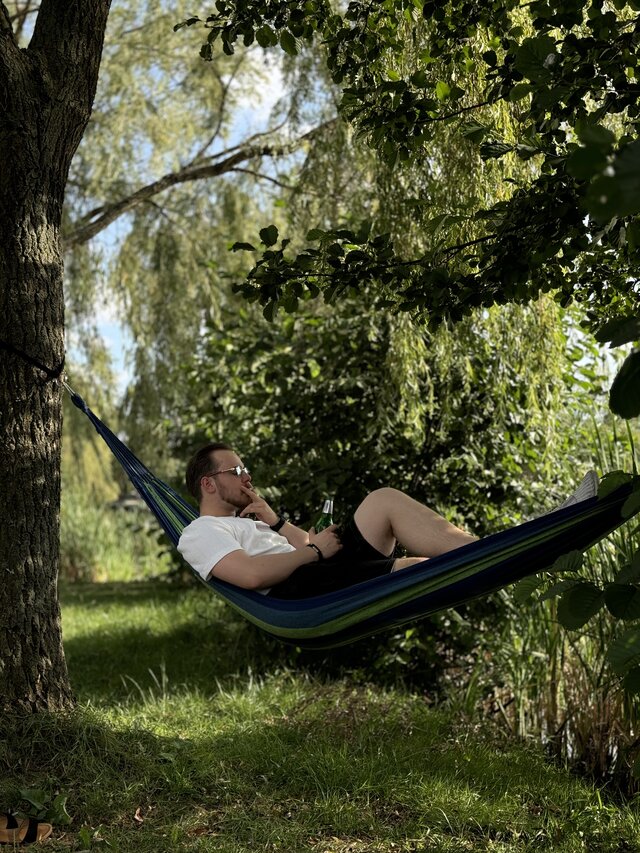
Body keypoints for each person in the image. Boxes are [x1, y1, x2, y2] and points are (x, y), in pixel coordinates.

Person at [178, 442, 479, 599]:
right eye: (237, 471)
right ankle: (485, 559)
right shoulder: (201, 531)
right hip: (305, 590)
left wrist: (277, 522)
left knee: (383, 500)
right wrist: (314, 552)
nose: (248, 477)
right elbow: (251, 575)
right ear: (208, 484)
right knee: (418, 569)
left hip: (322, 571)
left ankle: (482, 551)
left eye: (245, 470)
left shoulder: (251, 522)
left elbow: (314, 545)